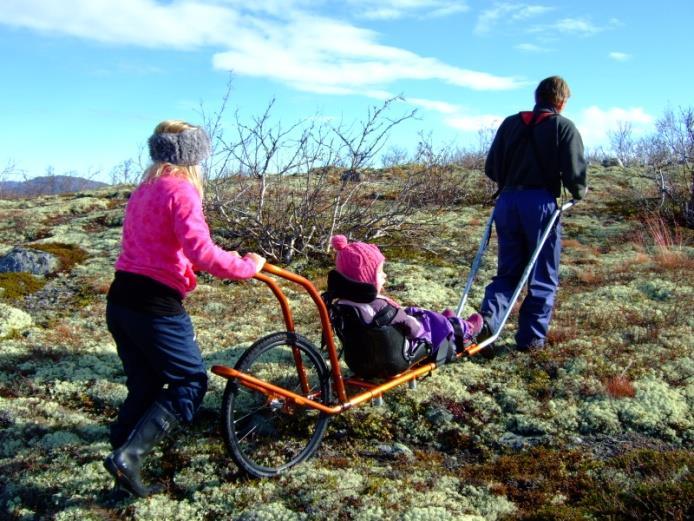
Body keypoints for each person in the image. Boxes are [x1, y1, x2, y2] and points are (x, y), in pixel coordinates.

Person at [103, 120, 266, 498]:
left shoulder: (143, 190)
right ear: (193, 156)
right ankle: (128, 457)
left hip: (121, 300)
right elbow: (201, 253)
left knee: (144, 383)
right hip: (155, 306)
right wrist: (247, 266)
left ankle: (118, 445)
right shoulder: (181, 191)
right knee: (190, 382)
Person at [480, 75, 587, 351]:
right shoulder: (564, 127)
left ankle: (487, 325)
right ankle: (531, 340)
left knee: (508, 272)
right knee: (542, 274)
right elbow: (576, 176)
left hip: (507, 202)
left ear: (537, 97)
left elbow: (491, 168)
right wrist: (578, 192)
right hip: (539, 205)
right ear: (561, 102)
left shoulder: (510, 123)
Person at [330, 235, 483, 363]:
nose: (385, 275)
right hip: (396, 357)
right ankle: (463, 329)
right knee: (427, 319)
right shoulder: (381, 307)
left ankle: (448, 322)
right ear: (365, 278)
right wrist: (426, 325)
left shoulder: (342, 305)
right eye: (380, 272)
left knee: (411, 313)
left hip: (362, 361)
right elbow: (415, 330)